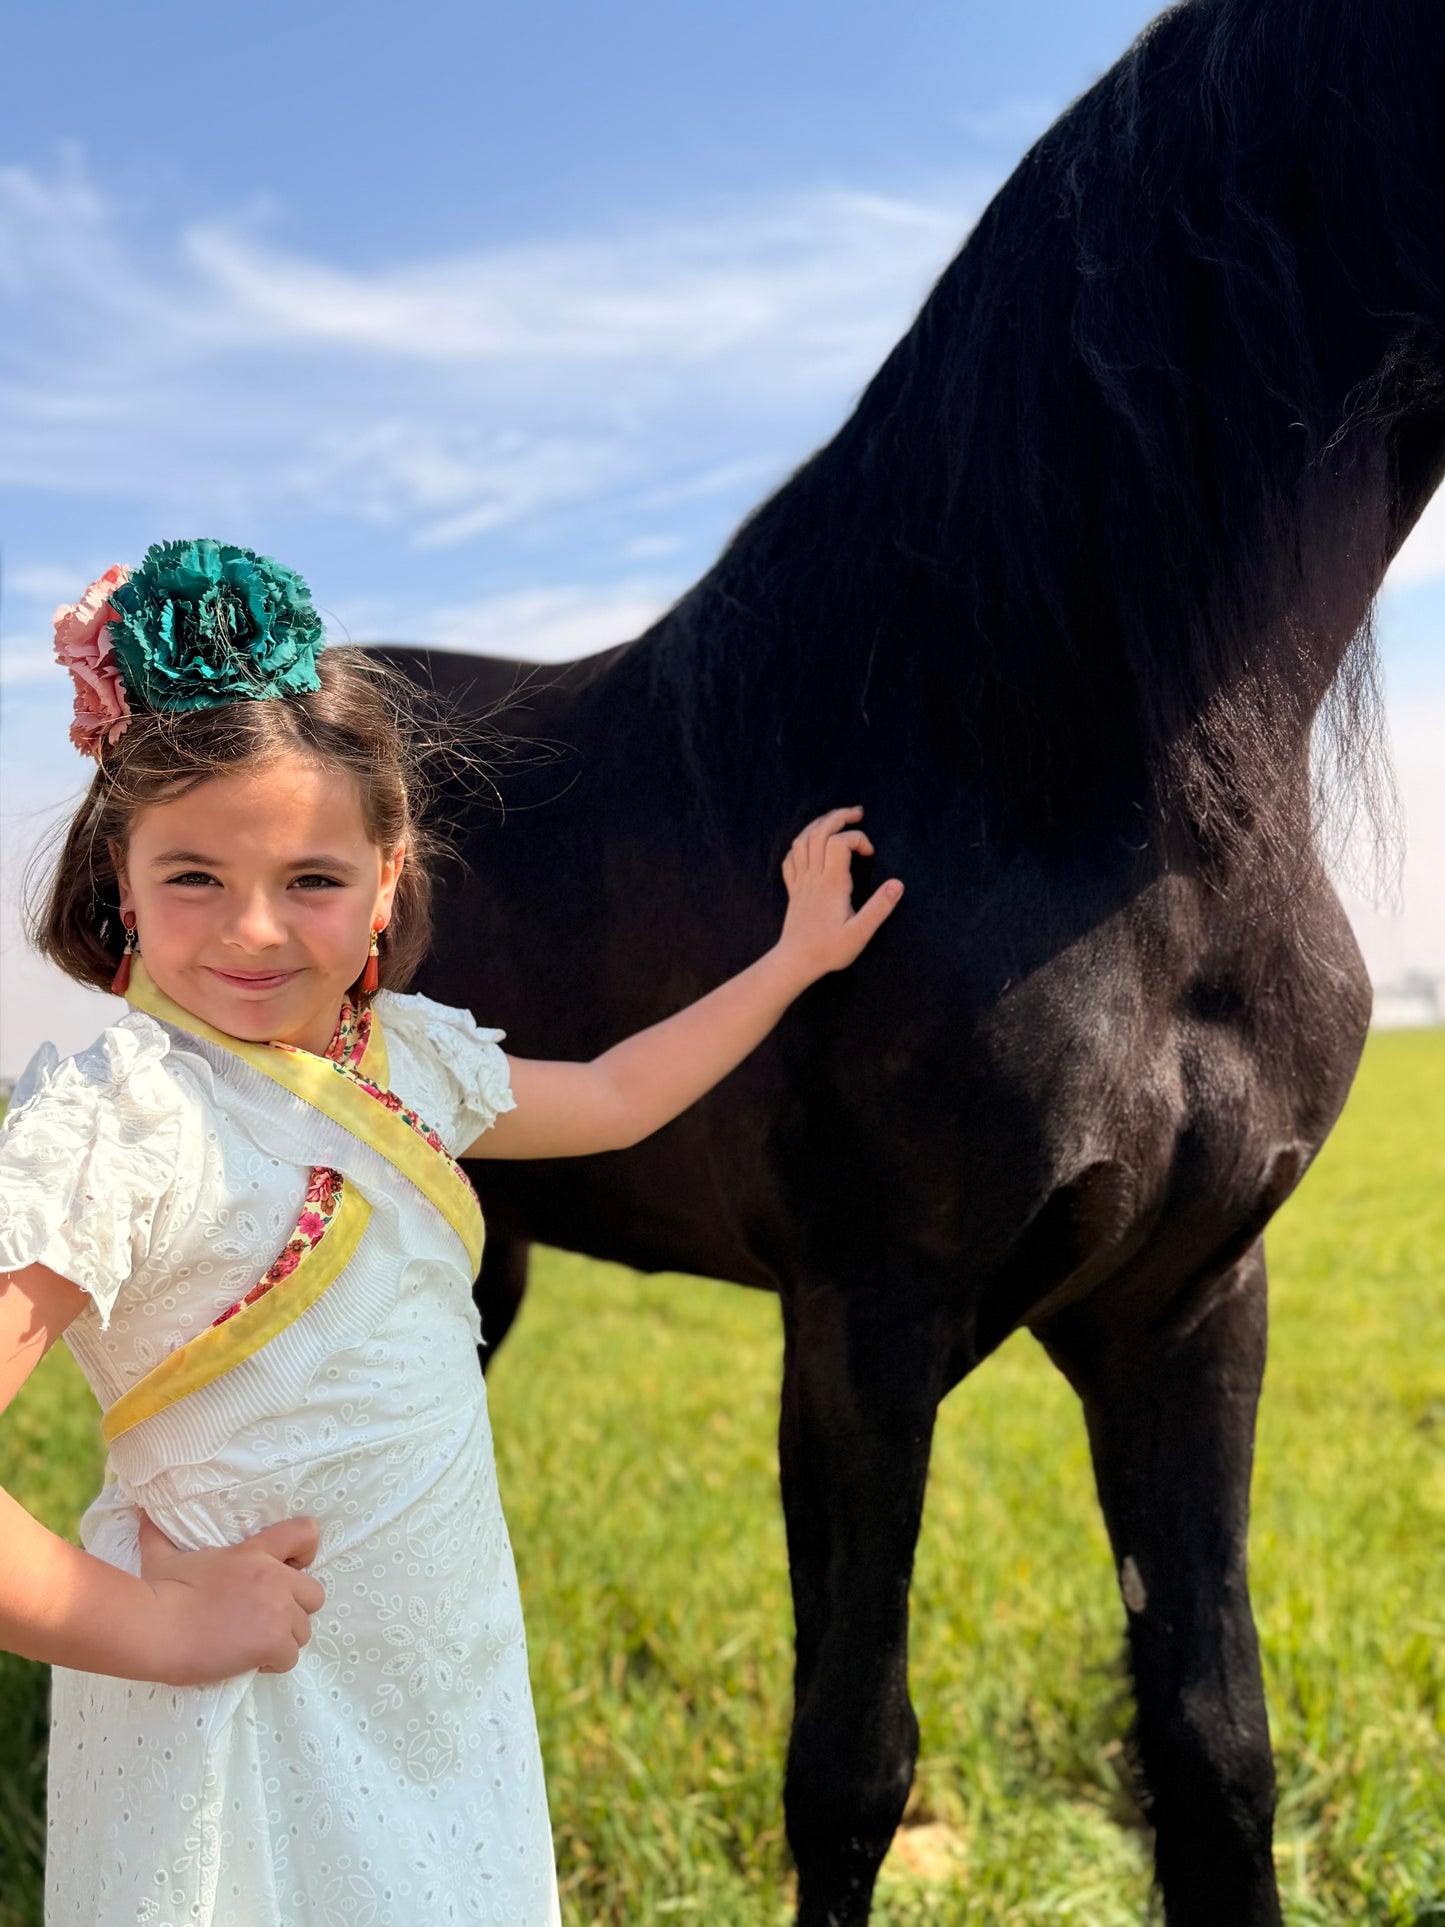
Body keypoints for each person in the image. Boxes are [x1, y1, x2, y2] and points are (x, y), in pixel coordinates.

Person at [0, 538, 904, 1925]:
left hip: (441, 1670)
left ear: (388, 879)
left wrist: (792, 959)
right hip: (238, 1688)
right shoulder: (123, 1123)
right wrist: (158, 1626)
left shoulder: (408, 1058)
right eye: (193, 877)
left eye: (312, 880)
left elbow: (616, 1094)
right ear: (119, 877)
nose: (255, 930)